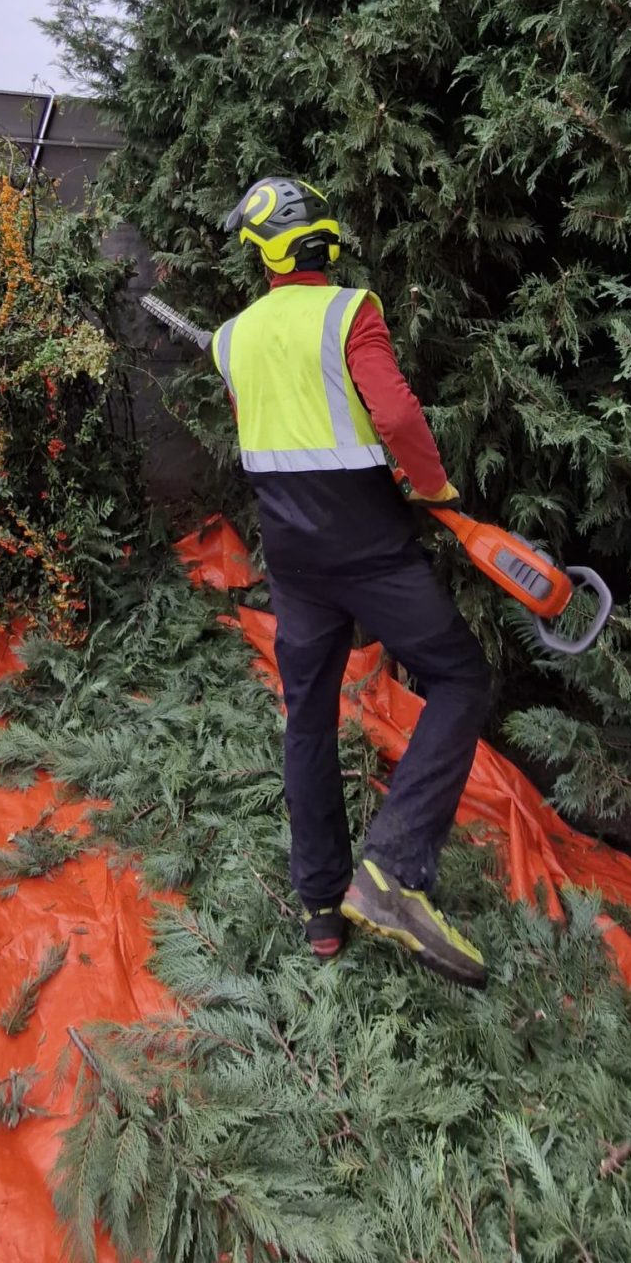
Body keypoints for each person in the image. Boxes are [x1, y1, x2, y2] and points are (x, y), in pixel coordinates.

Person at [212, 176, 491, 986]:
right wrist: (435, 490)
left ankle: (321, 908)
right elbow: (397, 418)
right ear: (325, 240)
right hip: (369, 546)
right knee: (460, 677)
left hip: (294, 556)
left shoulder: (231, 339)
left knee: (309, 719)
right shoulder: (349, 312)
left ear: (261, 251)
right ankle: (394, 870)